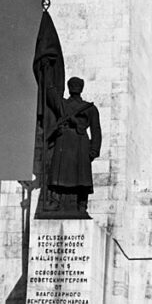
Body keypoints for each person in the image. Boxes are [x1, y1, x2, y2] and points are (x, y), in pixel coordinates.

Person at [47, 77, 101, 213]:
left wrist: (94, 149)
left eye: (77, 86)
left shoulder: (90, 108)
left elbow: (96, 130)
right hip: (64, 140)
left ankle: (82, 205)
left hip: (81, 142)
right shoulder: (62, 104)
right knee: (59, 173)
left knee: (82, 175)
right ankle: (55, 201)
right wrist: (48, 73)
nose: (75, 88)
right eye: (73, 85)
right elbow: (49, 93)